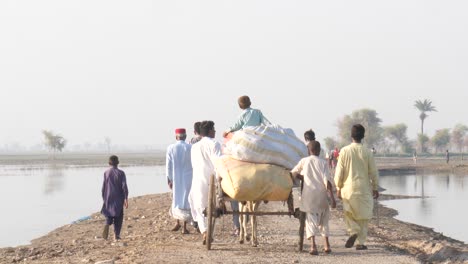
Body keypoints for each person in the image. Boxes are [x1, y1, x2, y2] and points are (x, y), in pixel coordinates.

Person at [334, 124, 379, 250]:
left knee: (349, 213)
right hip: (364, 188)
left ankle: (353, 230)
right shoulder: (368, 152)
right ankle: (361, 243)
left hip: (348, 189)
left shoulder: (344, 151)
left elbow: (339, 172)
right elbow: (373, 172)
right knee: (363, 216)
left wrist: (338, 187)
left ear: (351, 135)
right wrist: (375, 187)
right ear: (363, 136)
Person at [291, 141, 336, 255]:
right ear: (319, 151)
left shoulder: (304, 161)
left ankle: (313, 247)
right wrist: (333, 198)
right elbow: (327, 182)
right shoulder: (323, 163)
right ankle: (326, 246)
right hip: (321, 197)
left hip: (309, 197)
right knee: (324, 221)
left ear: (308, 150)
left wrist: (303, 178)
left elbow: (294, 173)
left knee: (311, 221)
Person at [190, 120, 222, 244]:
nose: (215, 131)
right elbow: (218, 164)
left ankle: (204, 231)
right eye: (214, 129)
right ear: (209, 131)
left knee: (199, 206)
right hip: (212, 179)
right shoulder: (214, 144)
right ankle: (209, 232)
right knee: (213, 207)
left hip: (198, 179)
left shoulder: (194, 147)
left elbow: (194, 165)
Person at [166, 128, 193, 234]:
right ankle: (184, 227)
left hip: (176, 178)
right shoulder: (190, 147)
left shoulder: (171, 148)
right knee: (186, 201)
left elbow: (169, 166)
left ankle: (177, 223)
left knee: (176, 199)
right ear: (185, 137)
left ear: (176, 137)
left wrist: (169, 179)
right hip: (188, 178)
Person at [101, 155, 129, 240]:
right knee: (118, 216)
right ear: (118, 163)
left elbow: (103, 187)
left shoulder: (106, 173)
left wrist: (104, 198)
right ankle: (116, 235)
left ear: (109, 163)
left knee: (109, 213)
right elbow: (124, 186)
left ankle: (107, 223)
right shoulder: (121, 173)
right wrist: (126, 198)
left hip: (108, 196)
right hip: (118, 198)